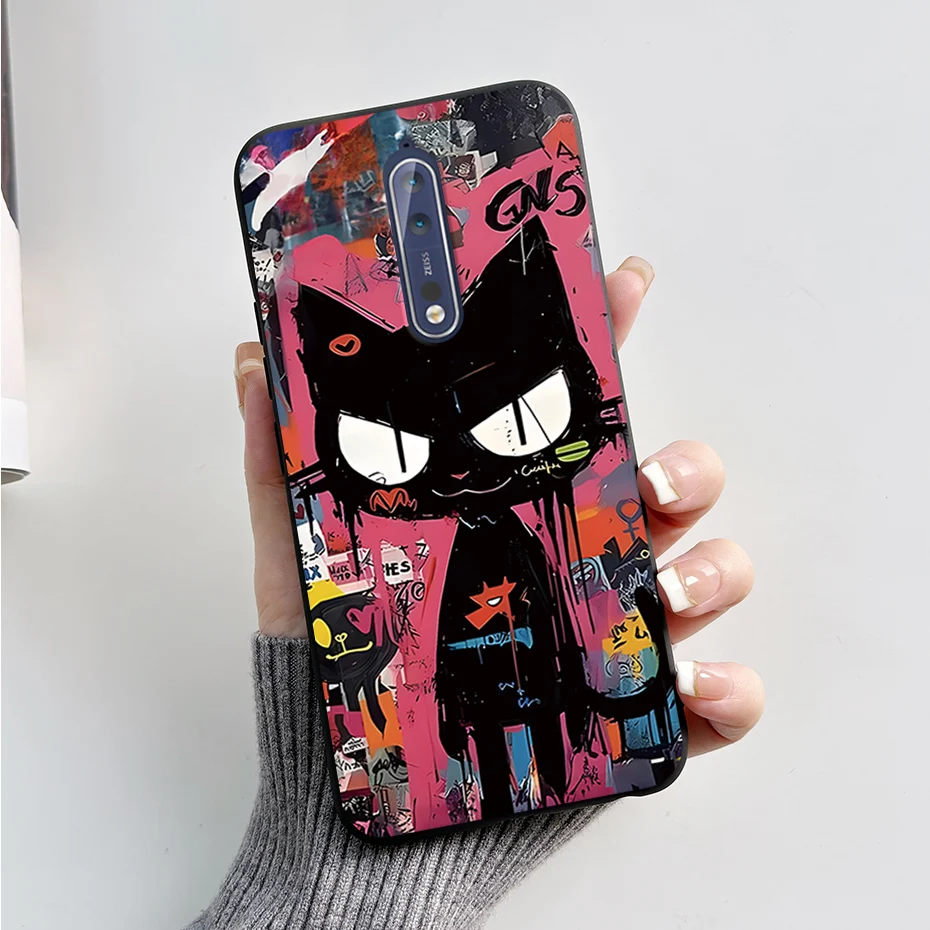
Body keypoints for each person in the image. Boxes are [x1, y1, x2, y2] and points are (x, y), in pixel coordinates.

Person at [184, 257, 764, 930]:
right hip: (466, 678)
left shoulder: (538, 540)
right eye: (391, 444)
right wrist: (358, 879)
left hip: (532, 654)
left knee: (547, 684)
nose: (460, 469)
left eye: (514, 417)